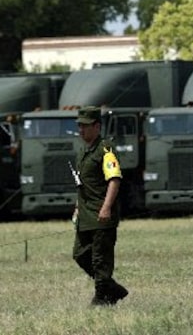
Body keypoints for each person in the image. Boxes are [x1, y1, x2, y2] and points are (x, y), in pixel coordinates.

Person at [72, 106, 128, 306]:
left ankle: (102, 297)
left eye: (85, 126)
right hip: (85, 216)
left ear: (97, 126)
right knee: (79, 254)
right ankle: (113, 289)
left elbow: (114, 179)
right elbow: (82, 184)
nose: (81, 130)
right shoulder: (83, 152)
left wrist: (106, 208)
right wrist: (78, 207)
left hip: (101, 216)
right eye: (79, 126)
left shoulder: (105, 150)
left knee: (100, 260)